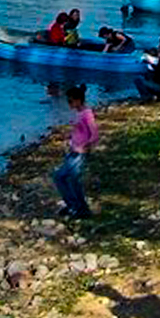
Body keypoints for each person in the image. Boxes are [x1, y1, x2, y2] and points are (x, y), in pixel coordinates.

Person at [52, 85, 98, 218]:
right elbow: (78, 132)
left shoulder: (87, 113)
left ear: (79, 100)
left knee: (63, 177)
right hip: (73, 151)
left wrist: (83, 147)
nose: (69, 103)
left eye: (70, 101)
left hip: (79, 153)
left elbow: (94, 135)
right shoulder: (79, 112)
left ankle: (80, 208)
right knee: (68, 178)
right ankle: (75, 206)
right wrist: (69, 141)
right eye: (68, 101)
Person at [135, 37, 160, 101]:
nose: (158, 46)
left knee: (138, 80)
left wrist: (150, 64)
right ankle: (153, 94)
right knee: (147, 75)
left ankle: (148, 96)